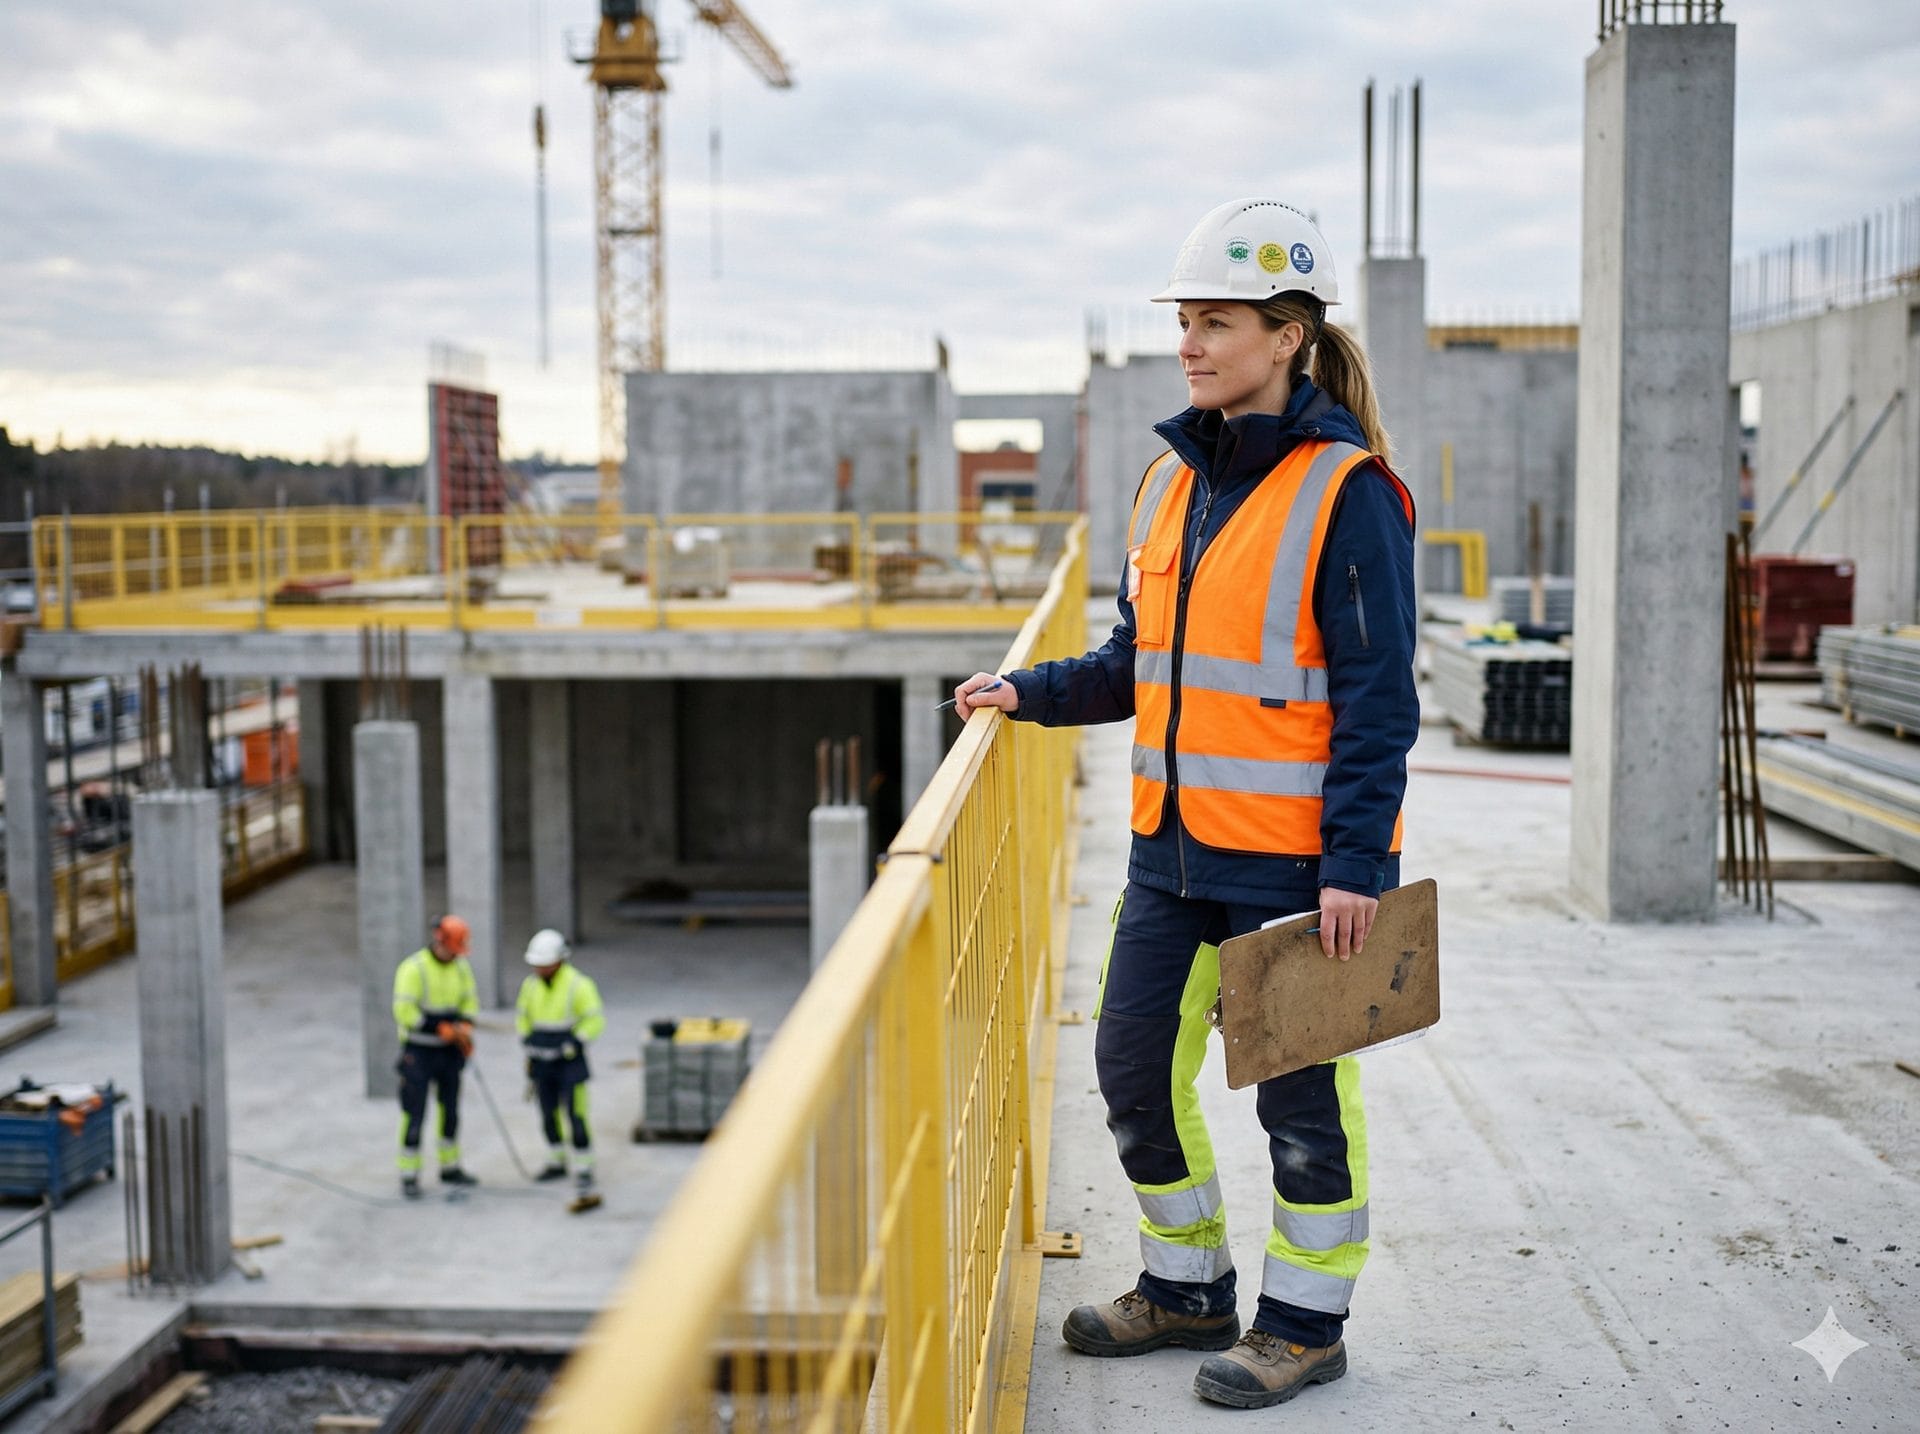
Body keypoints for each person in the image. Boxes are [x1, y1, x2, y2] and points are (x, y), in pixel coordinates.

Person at [954, 198, 1417, 1411]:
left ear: (1288, 337)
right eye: (1187, 323)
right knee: (1130, 1070)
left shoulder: (1346, 493)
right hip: (1169, 854)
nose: (1194, 344)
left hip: (1291, 868)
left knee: (1303, 1108)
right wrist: (1030, 691)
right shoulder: (1172, 482)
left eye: (1218, 322)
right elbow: (1135, 659)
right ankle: (1188, 1289)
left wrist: (1355, 863)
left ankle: (1306, 1324)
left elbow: (1379, 699)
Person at [392, 914, 482, 1198]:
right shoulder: (413, 969)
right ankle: (409, 1174)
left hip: (449, 1052)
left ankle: (450, 1166)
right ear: (439, 941)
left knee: (450, 1110)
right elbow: (404, 1011)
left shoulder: (460, 968)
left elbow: (470, 1000)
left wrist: (464, 1026)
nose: (455, 955)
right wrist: (436, 1027)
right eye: (452, 950)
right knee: (414, 1113)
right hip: (419, 1052)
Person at [515, 928, 605, 1191]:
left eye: (544, 965)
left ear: (559, 961)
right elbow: (522, 1015)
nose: (539, 969)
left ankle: (584, 1166)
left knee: (576, 1115)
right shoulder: (530, 986)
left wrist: (576, 1041)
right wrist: (527, 1038)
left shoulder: (579, 985)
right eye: (537, 965)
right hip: (542, 1061)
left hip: (569, 1062)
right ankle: (556, 1161)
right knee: (547, 1114)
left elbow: (595, 1019)